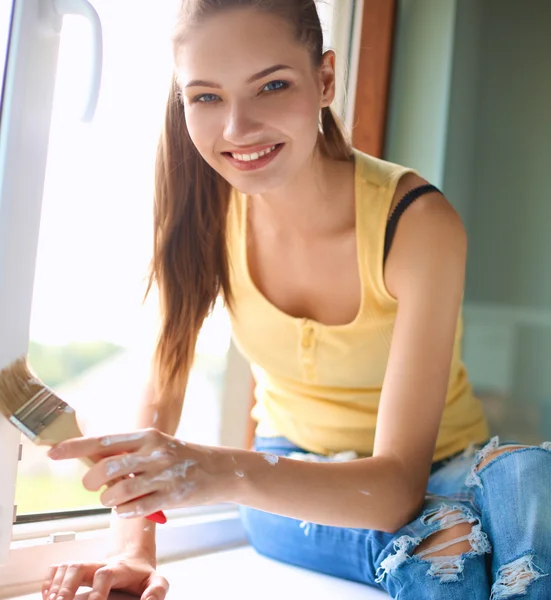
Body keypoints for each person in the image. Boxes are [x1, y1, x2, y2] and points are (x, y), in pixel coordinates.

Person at [42, 1, 551, 599]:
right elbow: (158, 403)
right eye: (206, 97)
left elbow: (394, 492)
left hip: (446, 465)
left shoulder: (414, 224)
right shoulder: (202, 217)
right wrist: (131, 551)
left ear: (325, 79)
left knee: (529, 474)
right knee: (448, 543)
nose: (237, 129)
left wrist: (215, 469)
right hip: (288, 477)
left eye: (271, 86)